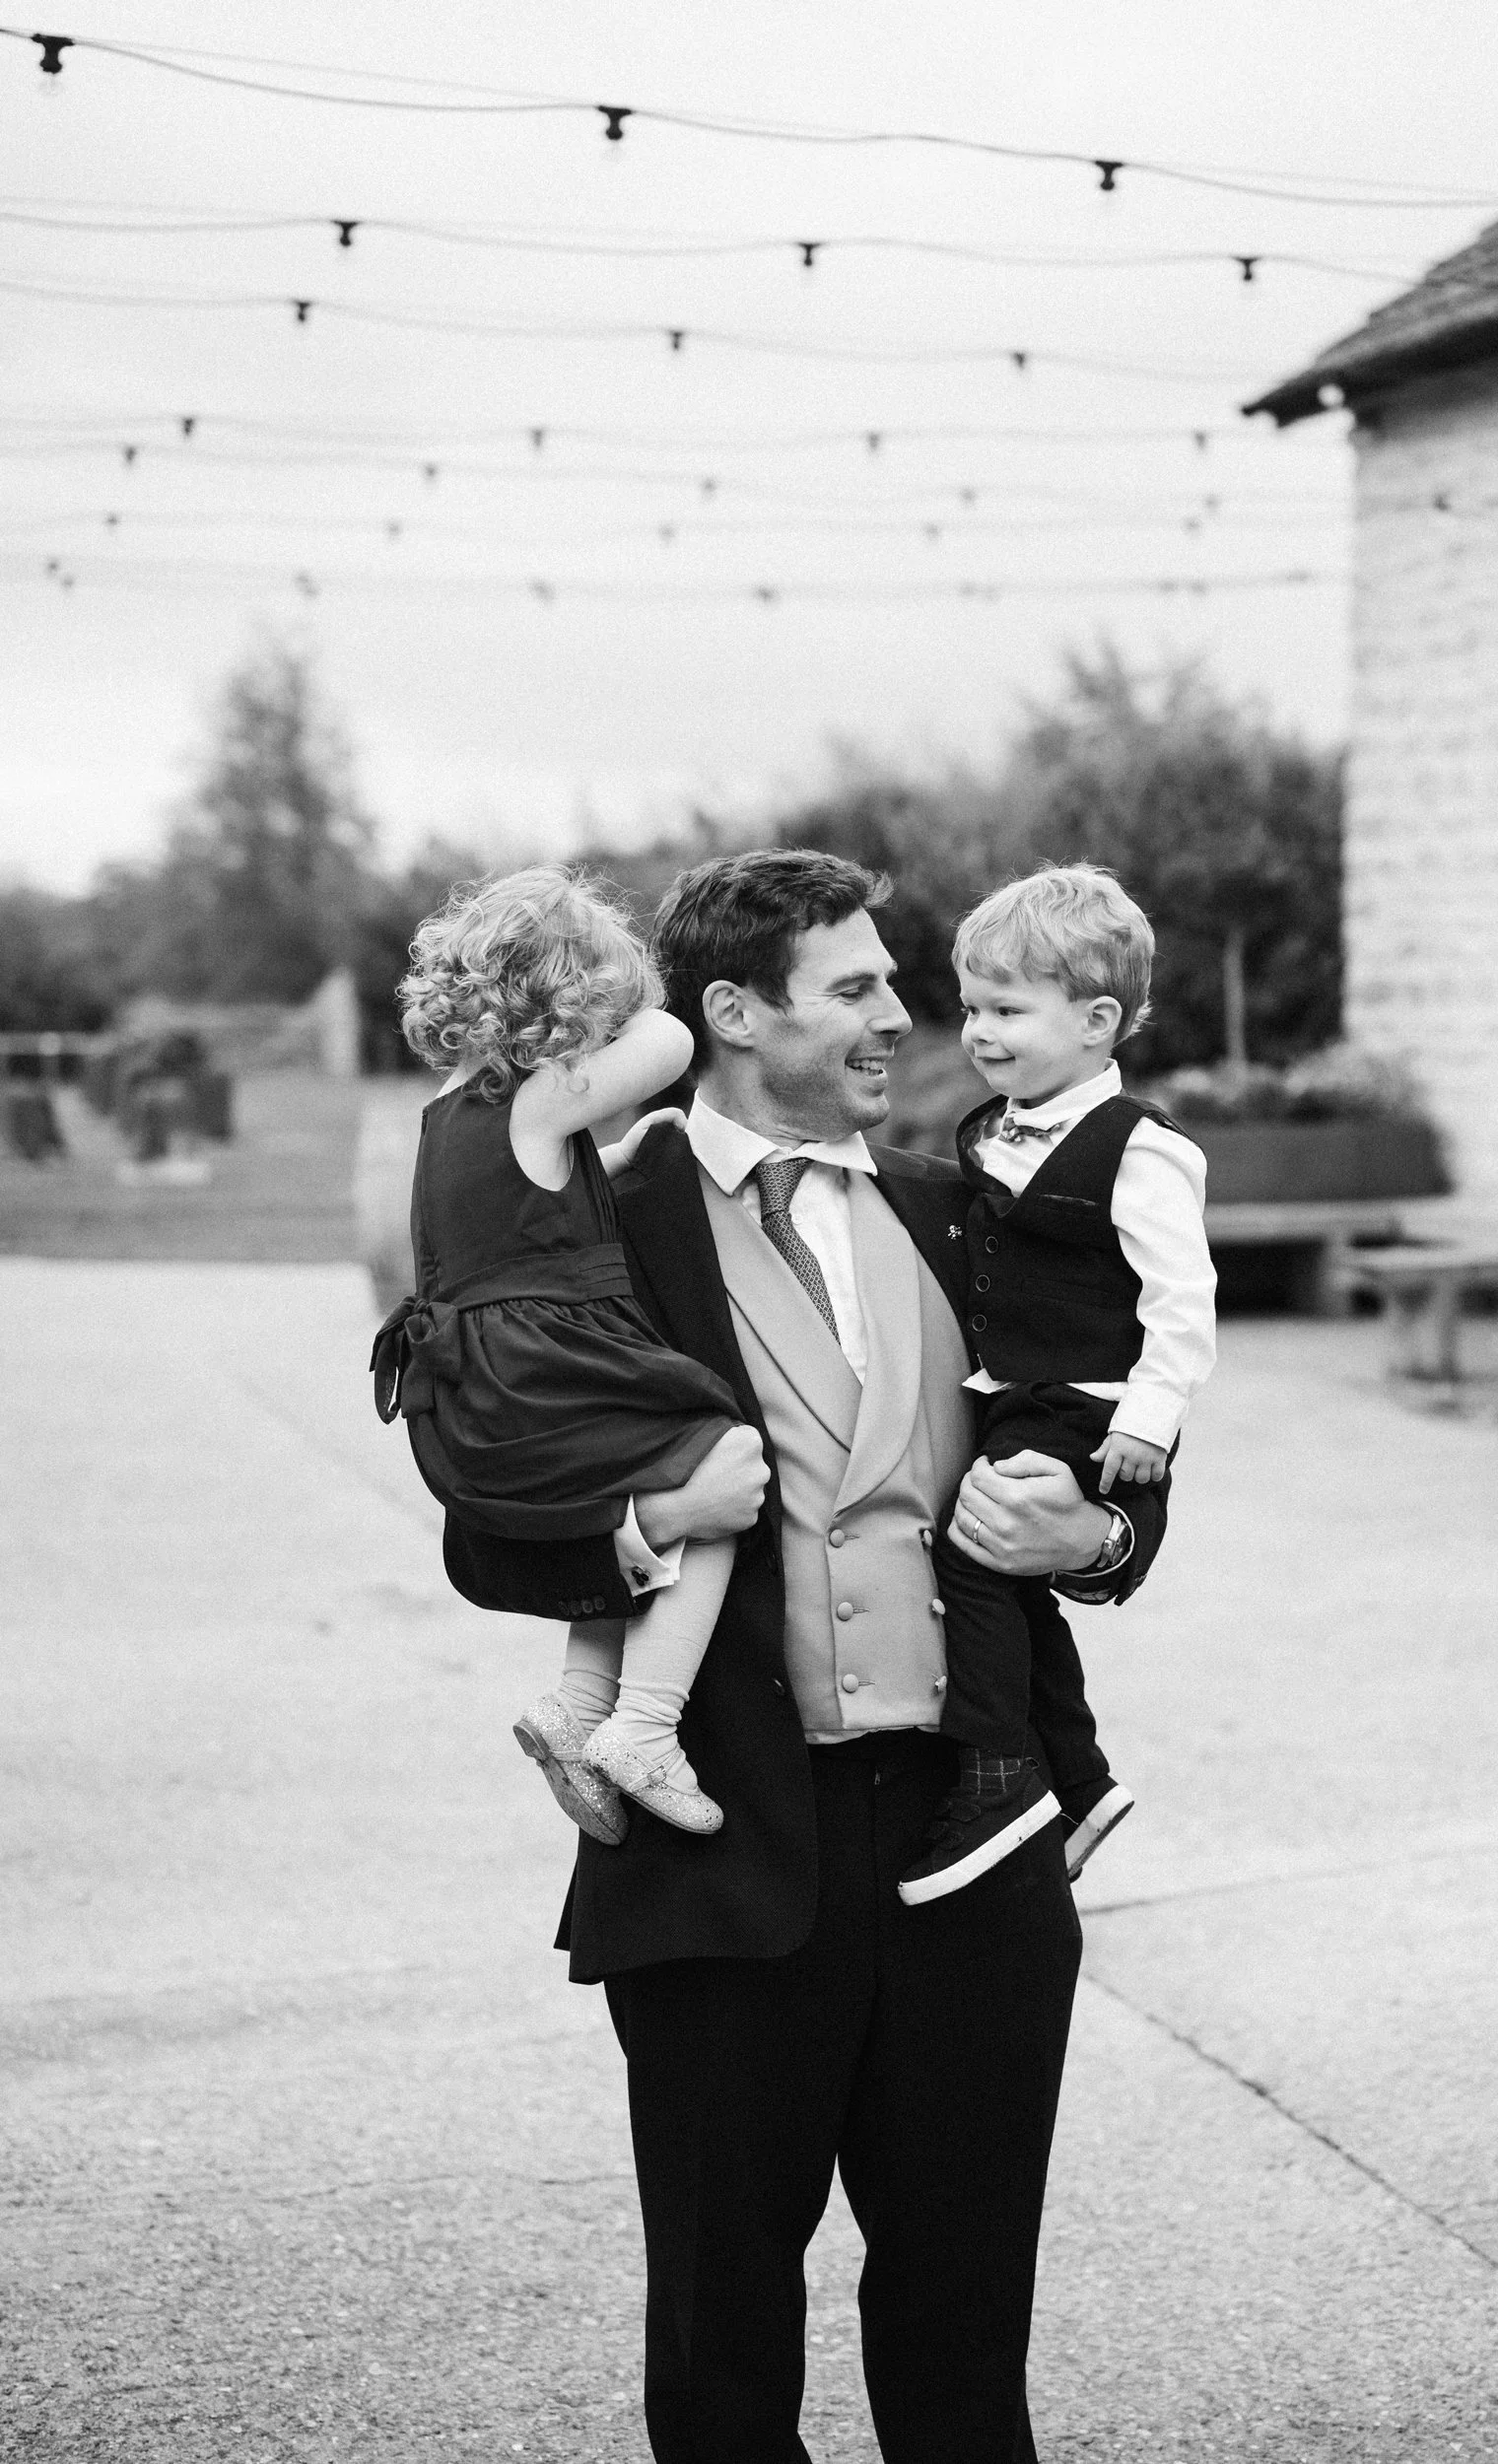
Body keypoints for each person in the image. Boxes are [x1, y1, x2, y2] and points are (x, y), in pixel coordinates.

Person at [449, 849, 1174, 2464]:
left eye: (894, 983)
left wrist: (1094, 1538)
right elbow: (486, 1520)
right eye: (854, 988)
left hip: (972, 1852)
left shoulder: (958, 1205)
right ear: (729, 1013)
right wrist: (645, 1522)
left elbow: (1107, 1435)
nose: (900, 1016)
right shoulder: (594, 1218)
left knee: (965, 2342)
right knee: (720, 2356)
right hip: (722, 1859)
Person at [372, 864, 772, 1837]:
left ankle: (579, 1704)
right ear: (571, 998)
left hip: (478, 1393)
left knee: (626, 1489)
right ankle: (646, 1724)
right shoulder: (541, 1094)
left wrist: (616, 1161)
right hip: (534, 1374)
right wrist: (624, 1012)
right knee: (720, 1459)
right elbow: (675, 1040)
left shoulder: (453, 1111)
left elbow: (518, 1219)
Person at [899, 865, 1217, 1906]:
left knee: (972, 1554)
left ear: (1095, 1021)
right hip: (1015, 1393)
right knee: (1000, 1578)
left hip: (1089, 1402)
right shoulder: (994, 1129)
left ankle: (998, 1772)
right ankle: (1078, 1784)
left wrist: (1148, 1424)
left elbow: (1182, 1301)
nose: (978, 1032)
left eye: (1006, 1010)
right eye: (970, 1009)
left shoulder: (1140, 1150)